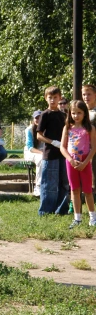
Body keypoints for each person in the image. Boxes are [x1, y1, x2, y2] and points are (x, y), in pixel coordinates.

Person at [59, 100, 96, 228]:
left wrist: (85, 162)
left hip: (85, 162)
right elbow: (62, 147)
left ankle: (93, 218)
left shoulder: (90, 129)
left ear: (85, 113)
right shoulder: (67, 128)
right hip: (71, 162)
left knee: (87, 190)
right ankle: (77, 218)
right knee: (74, 190)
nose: (76, 116)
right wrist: (70, 160)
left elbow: (93, 148)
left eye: (79, 113)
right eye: (73, 113)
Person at [36, 86, 69, 216]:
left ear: (60, 98)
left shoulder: (63, 115)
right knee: (48, 184)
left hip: (63, 154)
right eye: (50, 97)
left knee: (64, 183)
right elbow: (39, 135)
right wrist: (53, 142)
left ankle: (61, 210)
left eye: (55, 97)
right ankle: (45, 211)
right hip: (50, 154)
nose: (53, 100)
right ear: (46, 98)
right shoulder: (45, 114)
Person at [82, 84, 96, 208]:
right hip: (82, 149)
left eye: (89, 94)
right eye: (84, 94)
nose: (86, 97)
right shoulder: (80, 111)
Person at [24, 110, 45, 196]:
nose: (38, 120)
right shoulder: (29, 129)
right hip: (31, 152)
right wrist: (41, 153)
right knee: (41, 159)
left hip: (42, 151)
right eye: (36, 118)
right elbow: (30, 147)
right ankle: (38, 186)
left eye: (40, 118)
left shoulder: (47, 129)